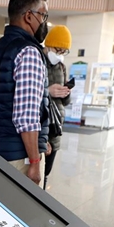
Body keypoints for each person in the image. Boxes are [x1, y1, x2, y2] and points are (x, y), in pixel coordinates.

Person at [0, 0, 50, 187]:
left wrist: (41, 141)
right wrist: (34, 161)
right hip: (20, 156)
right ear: (29, 16)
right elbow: (27, 116)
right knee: (27, 214)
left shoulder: (1, 47)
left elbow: (3, 101)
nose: (44, 21)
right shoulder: (28, 52)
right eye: (43, 15)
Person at [43, 25, 72, 189]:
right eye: (58, 49)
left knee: (47, 171)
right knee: (35, 171)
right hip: (41, 123)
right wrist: (48, 91)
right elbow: (28, 93)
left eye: (64, 51)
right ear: (48, 45)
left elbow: (65, 102)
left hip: (56, 125)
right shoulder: (37, 60)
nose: (60, 55)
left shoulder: (61, 66)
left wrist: (66, 93)